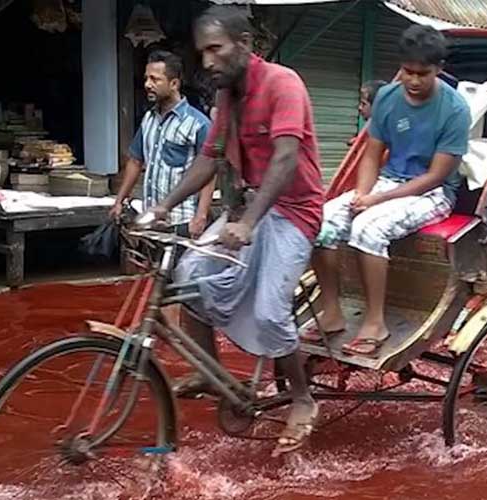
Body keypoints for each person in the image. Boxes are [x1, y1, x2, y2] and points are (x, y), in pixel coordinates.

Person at [143, 6, 326, 456]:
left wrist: (246, 222)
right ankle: (211, 371)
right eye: (202, 51)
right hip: (248, 209)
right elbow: (209, 158)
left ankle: (303, 400)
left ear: (244, 45)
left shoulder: (284, 84)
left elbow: (285, 160)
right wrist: (162, 207)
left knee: (269, 311)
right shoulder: (227, 98)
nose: (206, 62)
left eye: (215, 49)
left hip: (293, 211)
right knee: (187, 276)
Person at [309, 25, 470, 357]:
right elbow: (371, 154)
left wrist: (375, 201)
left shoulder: (455, 110)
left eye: (422, 74)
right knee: (319, 222)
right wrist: (360, 195)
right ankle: (332, 310)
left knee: (368, 228)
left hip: (432, 192)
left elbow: (437, 176)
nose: (412, 81)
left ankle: (374, 322)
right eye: (408, 72)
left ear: (439, 69)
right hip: (386, 182)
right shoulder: (387, 98)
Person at [111, 50, 215, 237]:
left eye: (155, 79)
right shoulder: (149, 119)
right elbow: (135, 161)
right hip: (151, 218)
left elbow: (209, 172)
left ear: (174, 84)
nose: (147, 85)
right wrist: (119, 200)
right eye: (146, 79)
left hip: (181, 220)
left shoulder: (198, 124)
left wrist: (201, 215)